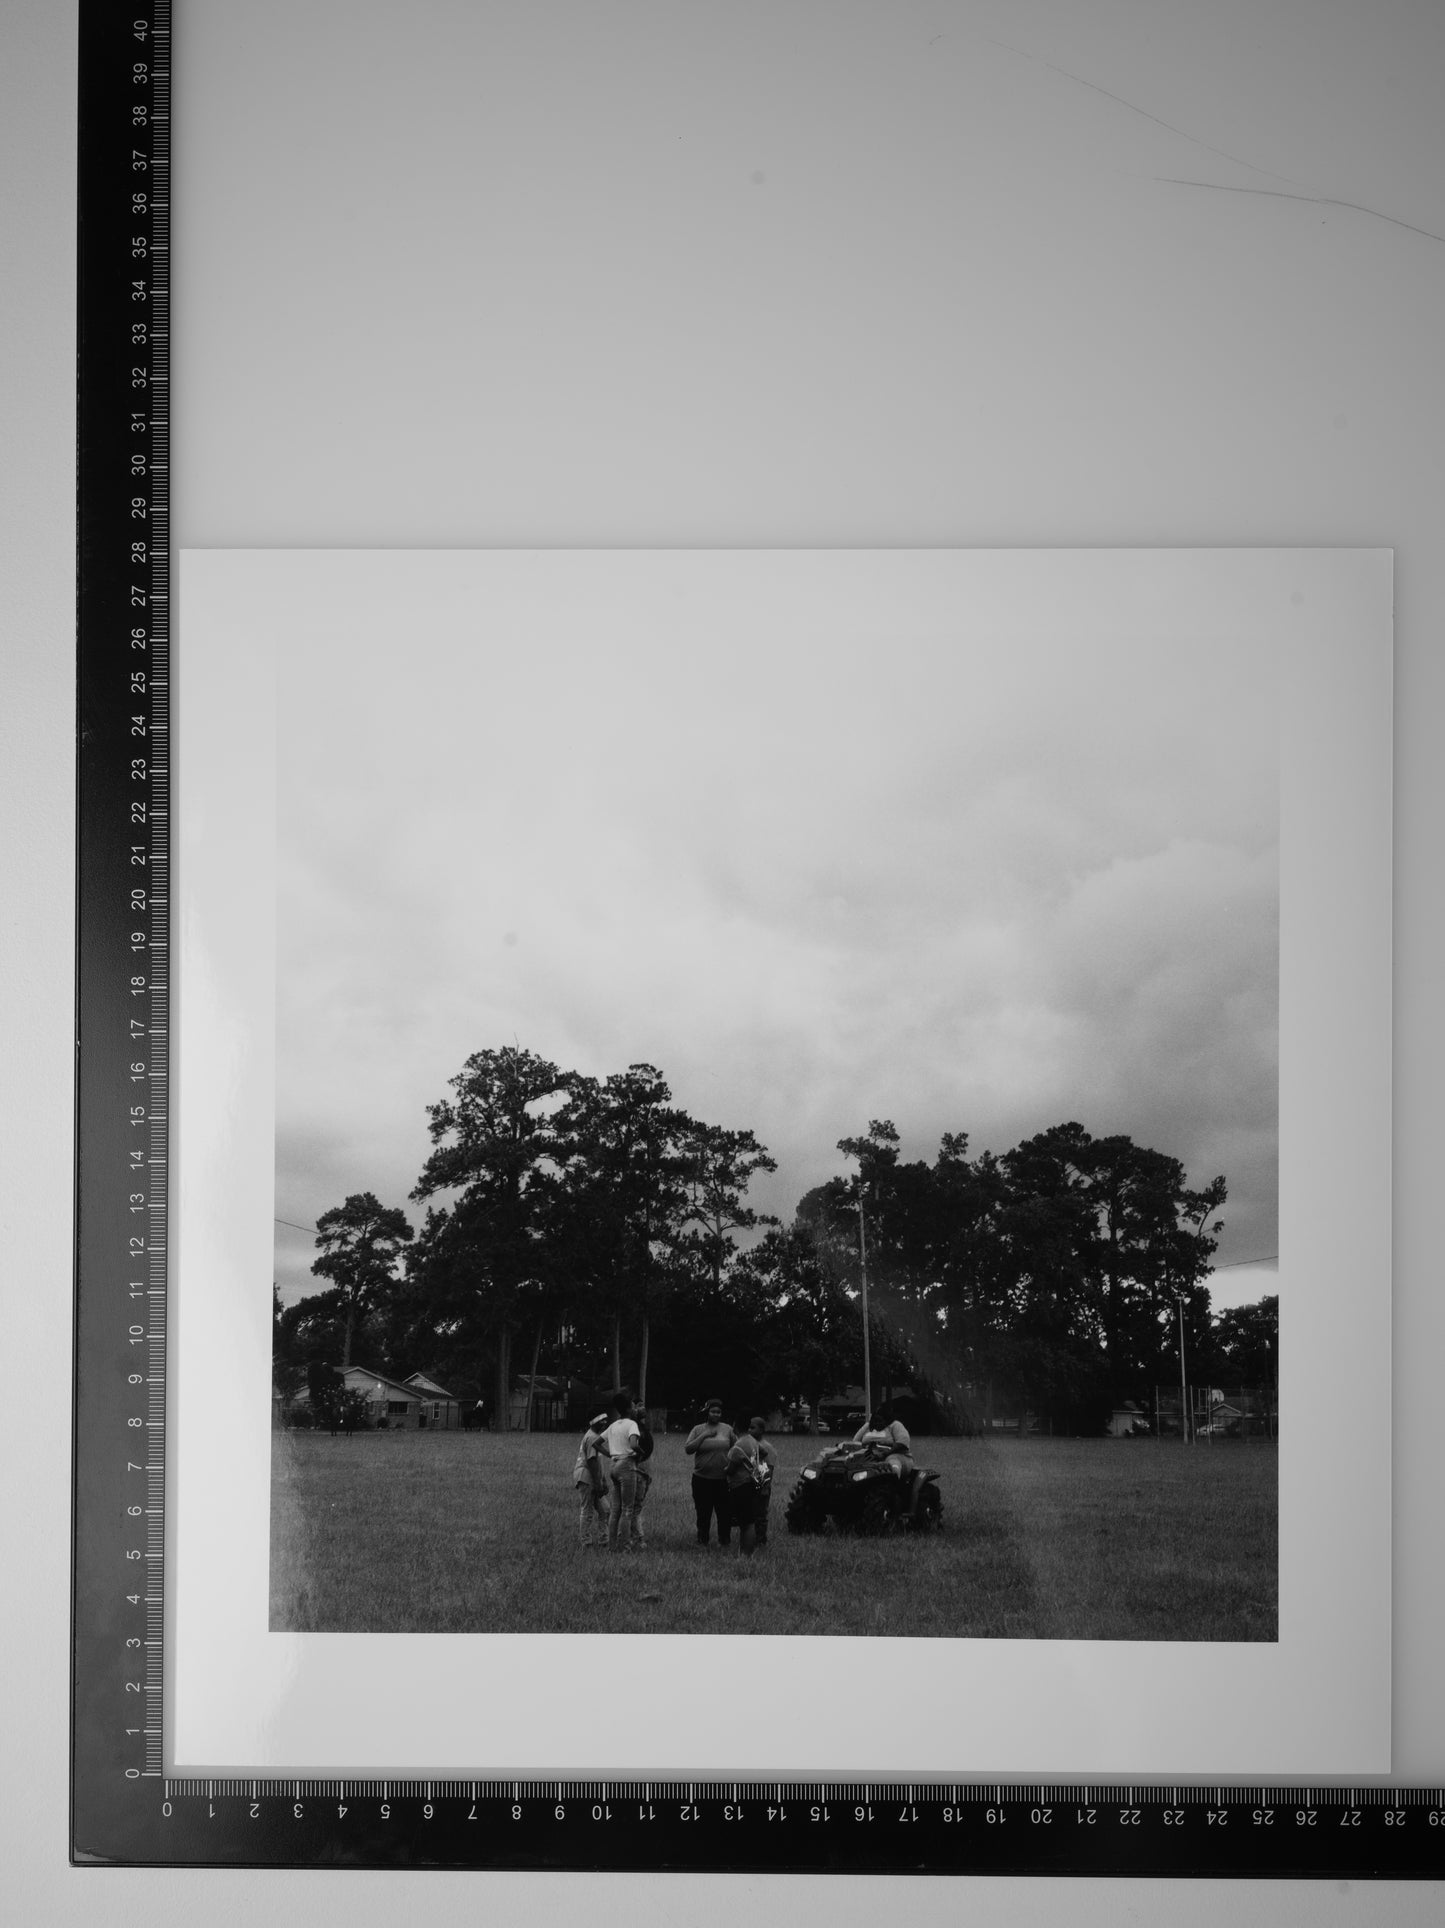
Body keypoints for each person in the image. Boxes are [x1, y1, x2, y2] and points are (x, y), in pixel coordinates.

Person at [684, 1399, 736, 1547]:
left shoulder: (727, 1429)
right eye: (713, 1411)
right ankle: (702, 1540)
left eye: (718, 1412)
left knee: (724, 1513)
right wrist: (704, 1435)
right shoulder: (698, 1429)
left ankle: (724, 1541)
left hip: (723, 1480)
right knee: (703, 1513)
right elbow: (688, 1449)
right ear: (707, 1413)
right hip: (701, 1479)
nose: (716, 1414)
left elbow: (736, 1448)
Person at [724, 1415, 778, 1557]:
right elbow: (764, 1453)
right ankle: (748, 1550)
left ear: (735, 1426)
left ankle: (745, 1552)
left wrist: (724, 1470)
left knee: (746, 1523)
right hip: (752, 1484)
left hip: (741, 1486)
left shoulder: (739, 1445)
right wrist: (755, 1465)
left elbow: (730, 1469)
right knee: (750, 1521)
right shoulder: (753, 1441)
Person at [602, 1391, 642, 1552]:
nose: (635, 1408)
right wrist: (640, 1452)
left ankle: (612, 1546)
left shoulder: (613, 1425)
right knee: (627, 1509)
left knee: (616, 1510)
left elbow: (597, 1443)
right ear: (628, 1408)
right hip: (627, 1466)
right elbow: (633, 1444)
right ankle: (625, 1546)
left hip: (614, 1466)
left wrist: (610, 1454)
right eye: (633, 1405)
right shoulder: (632, 1424)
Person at [573, 1410, 611, 1548]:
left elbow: (598, 1463)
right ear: (594, 1422)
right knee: (587, 1511)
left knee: (605, 1510)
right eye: (602, 1421)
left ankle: (604, 1540)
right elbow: (592, 1462)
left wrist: (603, 1480)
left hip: (592, 1477)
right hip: (586, 1477)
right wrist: (598, 1483)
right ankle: (586, 1542)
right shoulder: (591, 1438)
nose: (605, 1423)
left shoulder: (595, 1436)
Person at [853, 1403, 914, 1478]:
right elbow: (855, 1442)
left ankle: (893, 1482)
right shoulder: (867, 1426)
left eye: (880, 1421)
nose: (877, 1423)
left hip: (895, 1455)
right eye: (875, 1421)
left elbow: (902, 1443)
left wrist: (884, 1454)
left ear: (886, 1420)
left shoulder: (895, 1425)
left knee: (892, 1464)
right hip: (870, 1456)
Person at [629, 1404, 656, 1548]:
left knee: (633, 1505)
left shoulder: (639, 1427)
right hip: (637, 1469)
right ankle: (637, 1538)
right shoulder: (633, 1429)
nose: (640, 1408)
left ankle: (629, 1535)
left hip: (643, 1469)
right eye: (635, 1406)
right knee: (634, 1506)